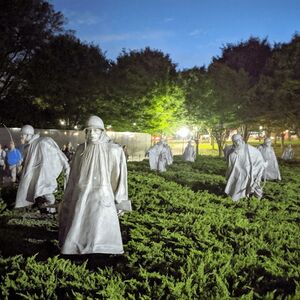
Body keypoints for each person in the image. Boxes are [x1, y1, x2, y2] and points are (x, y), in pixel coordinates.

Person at [59, 115, 131, 255]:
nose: (92, 134)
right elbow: (74, 176)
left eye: (96, 130)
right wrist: (69, 195)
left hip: (103, 194)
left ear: (102, 131)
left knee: (100, 225)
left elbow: (118, 177)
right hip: (82, 193)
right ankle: (77, 247)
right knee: (80, 224)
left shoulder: (113, 150)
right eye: (89, 130)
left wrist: (119, 199)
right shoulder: (81, 150)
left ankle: (102, 249)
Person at [14, 125, 70, 213]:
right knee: (37, 190)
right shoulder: (28, 147)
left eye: (23, 134)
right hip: (35, 173)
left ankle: (51, 207)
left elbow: (57, 152)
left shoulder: (43, 141)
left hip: (44, 173)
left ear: (29, 135)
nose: (21, 136)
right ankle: (48, 209)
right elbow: (26, 160)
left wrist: (65, 165)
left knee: (44, 190)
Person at [225, 134, 266, 201]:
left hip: (250, 171)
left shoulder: (250, 149)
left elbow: (259, 159)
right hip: (238, 173)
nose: (237, 142)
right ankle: (237, 199)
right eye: (235, 141)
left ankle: (258, 198)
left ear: (241, 139)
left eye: (238, 140)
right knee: (237, 184)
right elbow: (230, 165)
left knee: (254, 184)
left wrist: (259, 167)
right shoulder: (232, 153)